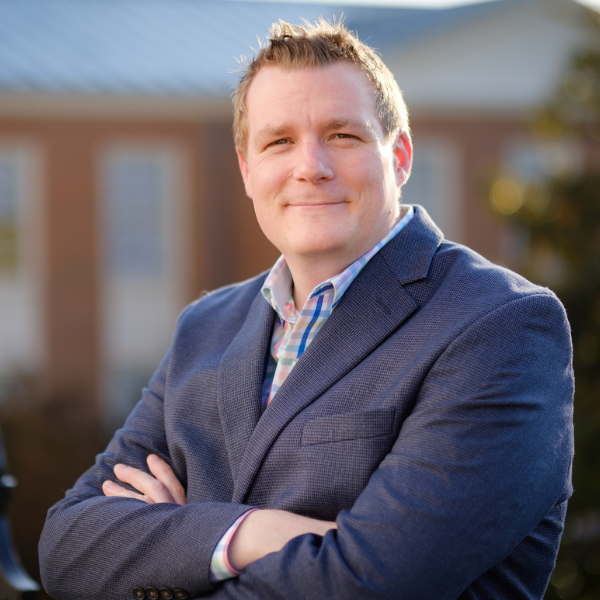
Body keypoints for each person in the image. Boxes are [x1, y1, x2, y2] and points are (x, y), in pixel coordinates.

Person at [39, 19, 574, 600]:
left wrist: (171, 551)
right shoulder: (206, 326)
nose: (310, 166)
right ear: (247, 170)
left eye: (342, 135)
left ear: (398, 157)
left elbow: (375, 582)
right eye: (279, 141)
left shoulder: (499, 325)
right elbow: (68, 547)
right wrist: (252, 532)